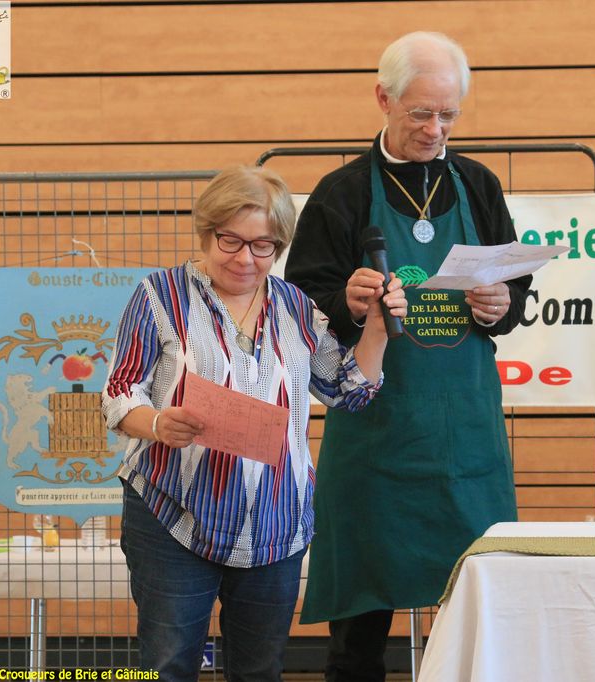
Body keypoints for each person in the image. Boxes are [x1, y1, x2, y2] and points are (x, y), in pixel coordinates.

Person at [284, 31, 530, 682]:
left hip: (464, 441)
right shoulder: (340, 194)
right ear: (383, 99)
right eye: (421, 112)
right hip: (375, 440)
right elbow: (301, 302)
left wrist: (501, 305)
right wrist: (345, 302)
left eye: (448, 114)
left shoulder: (478, 185)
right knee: (359, 636)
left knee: (479, 619)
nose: (435, 129)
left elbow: (517, 291)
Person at [101, 165, 406, 681]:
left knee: (259, 672)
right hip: (174, 511)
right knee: (169, 666)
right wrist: (156, 423)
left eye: (263, 246)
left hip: (275, 521)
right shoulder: (160, 296)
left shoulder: (297, 307)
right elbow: (119, 391)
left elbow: (348, 391)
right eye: (231, 241)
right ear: (206, 232)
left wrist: (376, 328)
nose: (246, 258)